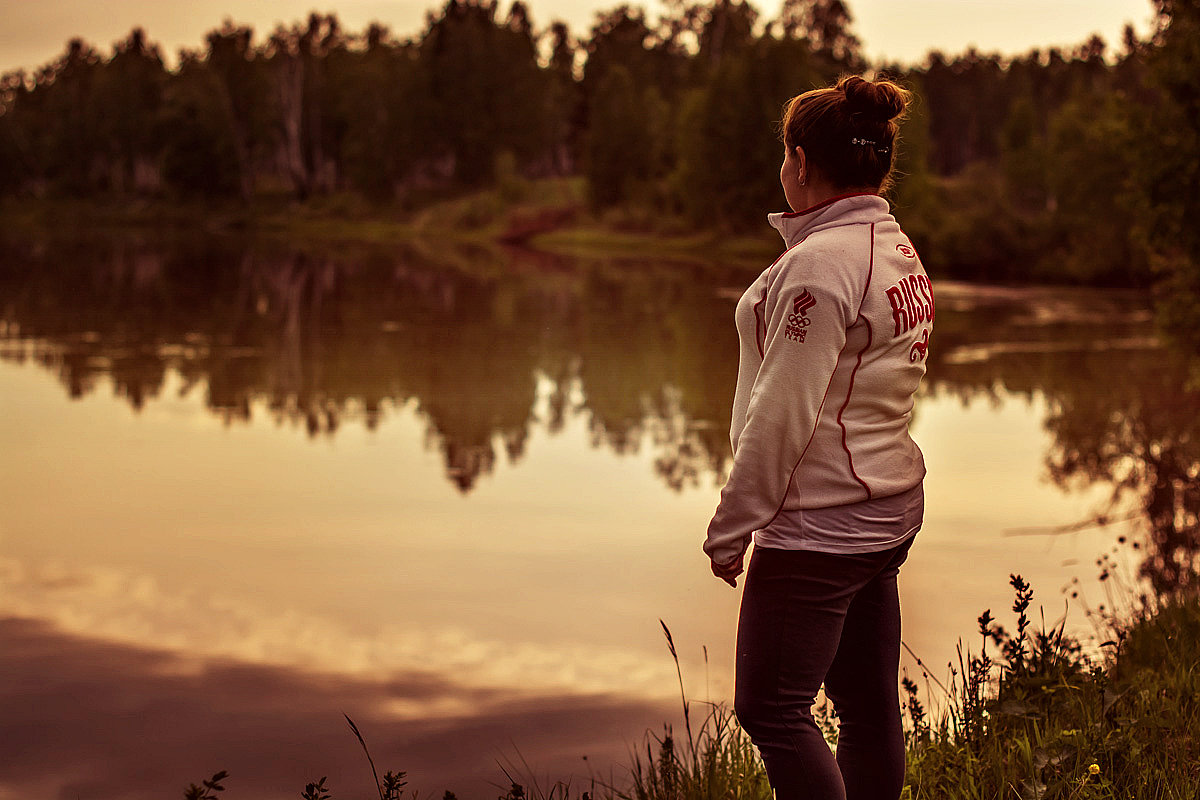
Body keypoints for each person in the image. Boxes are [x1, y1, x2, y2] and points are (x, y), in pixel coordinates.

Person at [702, 74, 932, 800]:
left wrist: (734, 524)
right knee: (867, 712)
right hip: (884, 513)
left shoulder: (819, 264)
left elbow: (784, 410)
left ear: (800, 161)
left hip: (822, 527)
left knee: (770, 709)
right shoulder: (890, 245)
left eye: (783, 158)